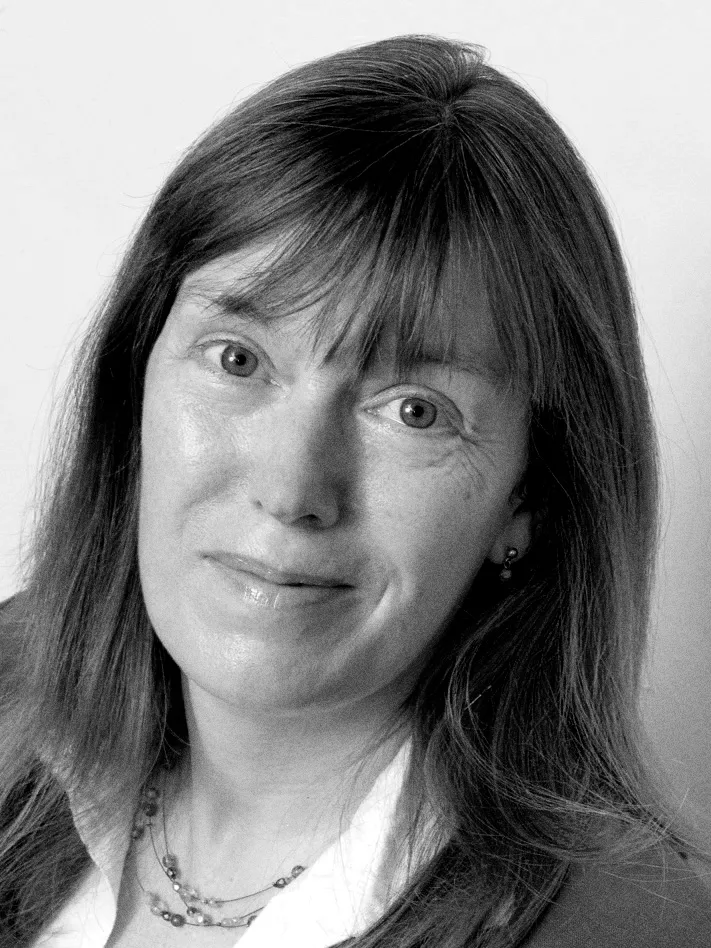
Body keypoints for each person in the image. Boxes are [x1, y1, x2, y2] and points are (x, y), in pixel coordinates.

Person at [1, 33, 709, 948]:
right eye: (238, 360)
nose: (292, 488)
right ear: (133, 381)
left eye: (415, 411)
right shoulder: (12, 698)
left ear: (529, 496)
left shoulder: (632, 930)